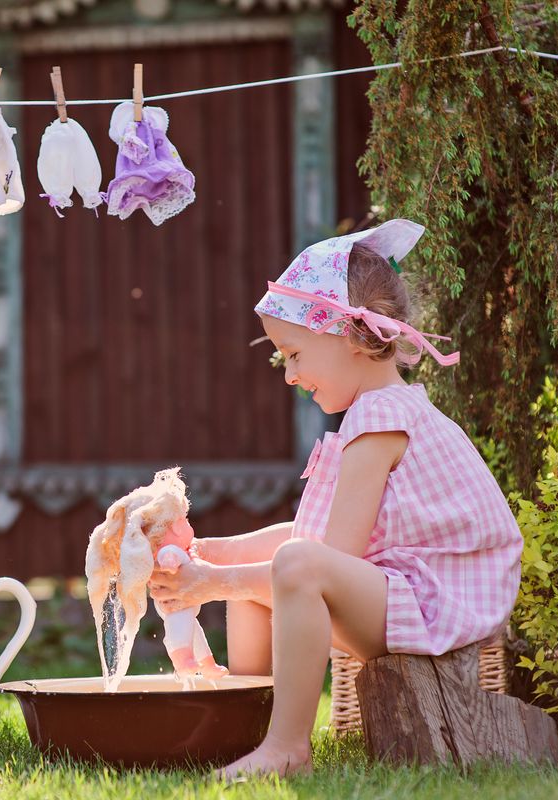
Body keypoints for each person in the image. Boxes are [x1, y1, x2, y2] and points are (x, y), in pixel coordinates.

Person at [148, 219, 523, 778]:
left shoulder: (380, 417)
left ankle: (287, 747)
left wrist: (216, 582)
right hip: (409, 592)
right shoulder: (379, 412)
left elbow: (326, 561)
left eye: (294, 354)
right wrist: (216, 555)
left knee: (287, 567)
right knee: (272, 565)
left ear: (348, 334)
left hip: (440, 608)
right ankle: (243, 733)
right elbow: (315, 540)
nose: (289, 375)